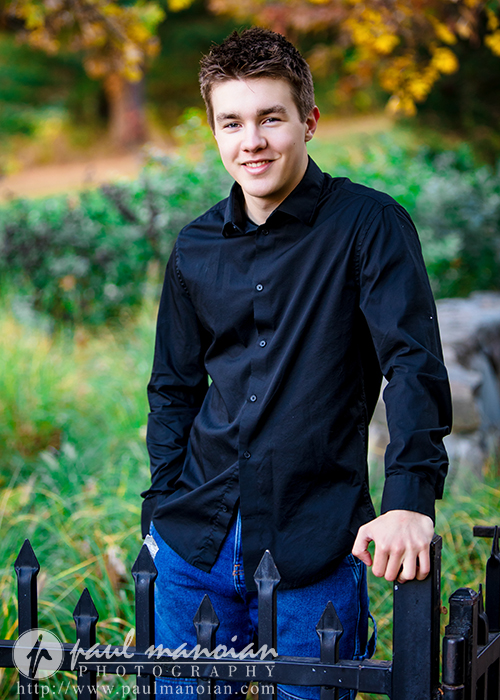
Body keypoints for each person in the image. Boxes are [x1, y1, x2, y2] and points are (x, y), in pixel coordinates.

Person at [141, 27, 452, 700]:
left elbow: (411, 365)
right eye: (232, 122)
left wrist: (409, 500)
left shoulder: (369, 225)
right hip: (194, 547)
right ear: (216, 132)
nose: (250, 141)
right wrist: (160, 508)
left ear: (308, 121)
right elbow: (173, 387)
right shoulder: (194, 247)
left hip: (315, 547)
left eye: (270, 118)